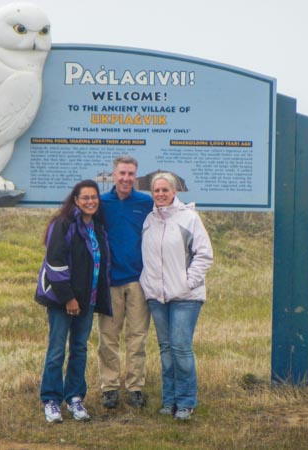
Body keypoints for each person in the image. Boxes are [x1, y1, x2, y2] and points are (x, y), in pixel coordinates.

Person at [35, 179, 112, 423]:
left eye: (94, 197)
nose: (90, 202)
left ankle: (75, 398)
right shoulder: (63, 224)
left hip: (87, 300)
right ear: (76, 201)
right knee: (57, 350)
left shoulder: (97, 226)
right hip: (62, 301)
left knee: (79, 349)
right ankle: (51, 400)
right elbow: (55, 263)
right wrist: (68, 298)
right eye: (85, 198)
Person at [140, 172, 213, 420]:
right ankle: (168, 400)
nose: (160, 194)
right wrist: (148, 284)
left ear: (174, 192)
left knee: (181, 348)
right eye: (156, 190)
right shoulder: (149, 220)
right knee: (166, 349)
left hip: (185, 297)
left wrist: (187, 283)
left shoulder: (189, 218)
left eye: (165, 190)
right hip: (157, 297)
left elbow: (204, 255)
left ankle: (185, 402)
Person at [98, 156, 153, 409]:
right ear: (113, 174)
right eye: (122, 173)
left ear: (136, 175)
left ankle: (135, 387)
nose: (126, 178)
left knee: (137, 336)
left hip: (138, 281)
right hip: (110, 281)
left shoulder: (145, 202)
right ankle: (109, 387)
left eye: (131, 173)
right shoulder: (101, 203)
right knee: (108, 336)